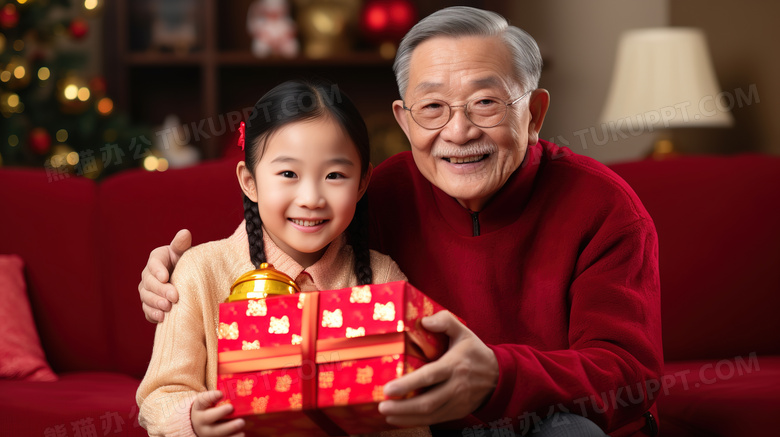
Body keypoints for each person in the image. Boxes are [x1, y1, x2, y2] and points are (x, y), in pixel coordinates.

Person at [139, 7, 662, 437]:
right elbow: (282, 225)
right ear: (403, 119)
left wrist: (498, 377)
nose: (458, 131)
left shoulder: (603, 207)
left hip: (543, 422)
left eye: (485, 102)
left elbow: (631, 375)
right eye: (432, 106)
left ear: (536, 113)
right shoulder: (380, 193)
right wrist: (172, 270)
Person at [136, 79, 425, 436]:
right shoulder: (200, 272)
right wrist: (192, 420)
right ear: (250, 181)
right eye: (288, 174)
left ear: (363, 182)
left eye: (335, 175)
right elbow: (159, 394)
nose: (311, 198)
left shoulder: (381, 277)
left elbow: (410, 418)